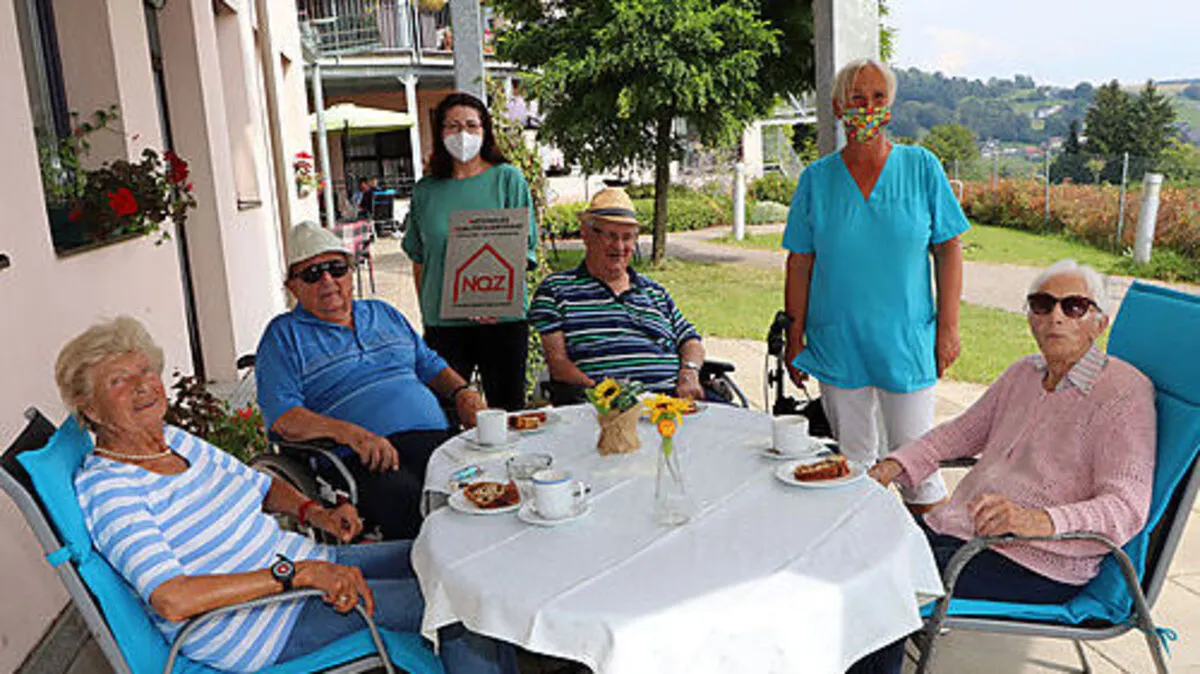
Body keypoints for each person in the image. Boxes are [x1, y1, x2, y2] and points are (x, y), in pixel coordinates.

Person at [58, 316, 516, 674]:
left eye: (145, 371)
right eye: (118, 381)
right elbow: (172, 598)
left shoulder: (176, 440)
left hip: (299, 569)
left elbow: (261, 485)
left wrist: (314, 511)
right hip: (257, 623)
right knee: (459, 608)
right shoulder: (109, 487)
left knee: (455, 559)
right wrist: (294, 575)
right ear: (90, 408)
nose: (143, 386)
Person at [861, 260, 1156, 673]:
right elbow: (959, 433)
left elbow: (1126, 505)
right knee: (859, 552)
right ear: (1031, 317)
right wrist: (892, 466)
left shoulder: (1123, 394)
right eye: (1042, 304)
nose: (1055, 316)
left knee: (883, 586)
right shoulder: (1024, 373)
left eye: (1074, 306)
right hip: (967, 533)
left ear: (1099, 323)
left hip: (1039, 563)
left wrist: (1034, 520)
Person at [782, 57, 969, 514]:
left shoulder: (921, 167)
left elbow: (949, 250)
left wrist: (948, 328)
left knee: (916, 467)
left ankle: (933, 567)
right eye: (856, 98)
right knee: (854, 468)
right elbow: (799, 263)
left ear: (891, 105)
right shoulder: (817, 179)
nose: (867, 107)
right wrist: (794, 336)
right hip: (838, 341)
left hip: (905, 342)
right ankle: (862, 566)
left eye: (878, 98)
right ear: (838, 107)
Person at [256, 220, 486, 540]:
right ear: (292, 287)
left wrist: (463, 392)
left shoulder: (383, 313)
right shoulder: (282, 336)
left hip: (434, 439)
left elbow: (429, 364)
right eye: (311, 273)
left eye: (336, 268)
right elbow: (283, 419)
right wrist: (351, 434)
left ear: (350, 273)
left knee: (485, 489)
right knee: (415, 509)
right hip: (361, 457)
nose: (327, 280)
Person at [402, 91, 538, 412]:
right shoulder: (426, 191)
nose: (463, 134)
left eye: (471, 125)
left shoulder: (508, 179)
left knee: (508, 413)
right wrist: (429, 311)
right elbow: (418, 257)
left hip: (501, 321)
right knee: (444, 416)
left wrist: (493, 299)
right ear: (439, 133)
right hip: (444, 325)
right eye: (452, 126)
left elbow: (523, 249)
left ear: (485, 131)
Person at [528, 187, 706, 403]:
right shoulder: (556, 291)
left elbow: (690, 340)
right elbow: (559, 365)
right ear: (586, 234)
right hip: (606, 411)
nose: (619, 247)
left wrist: (690, 373)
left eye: (627, 238)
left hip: (674, 404)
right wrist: (609, 396)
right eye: (611, 236)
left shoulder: (655, 292)